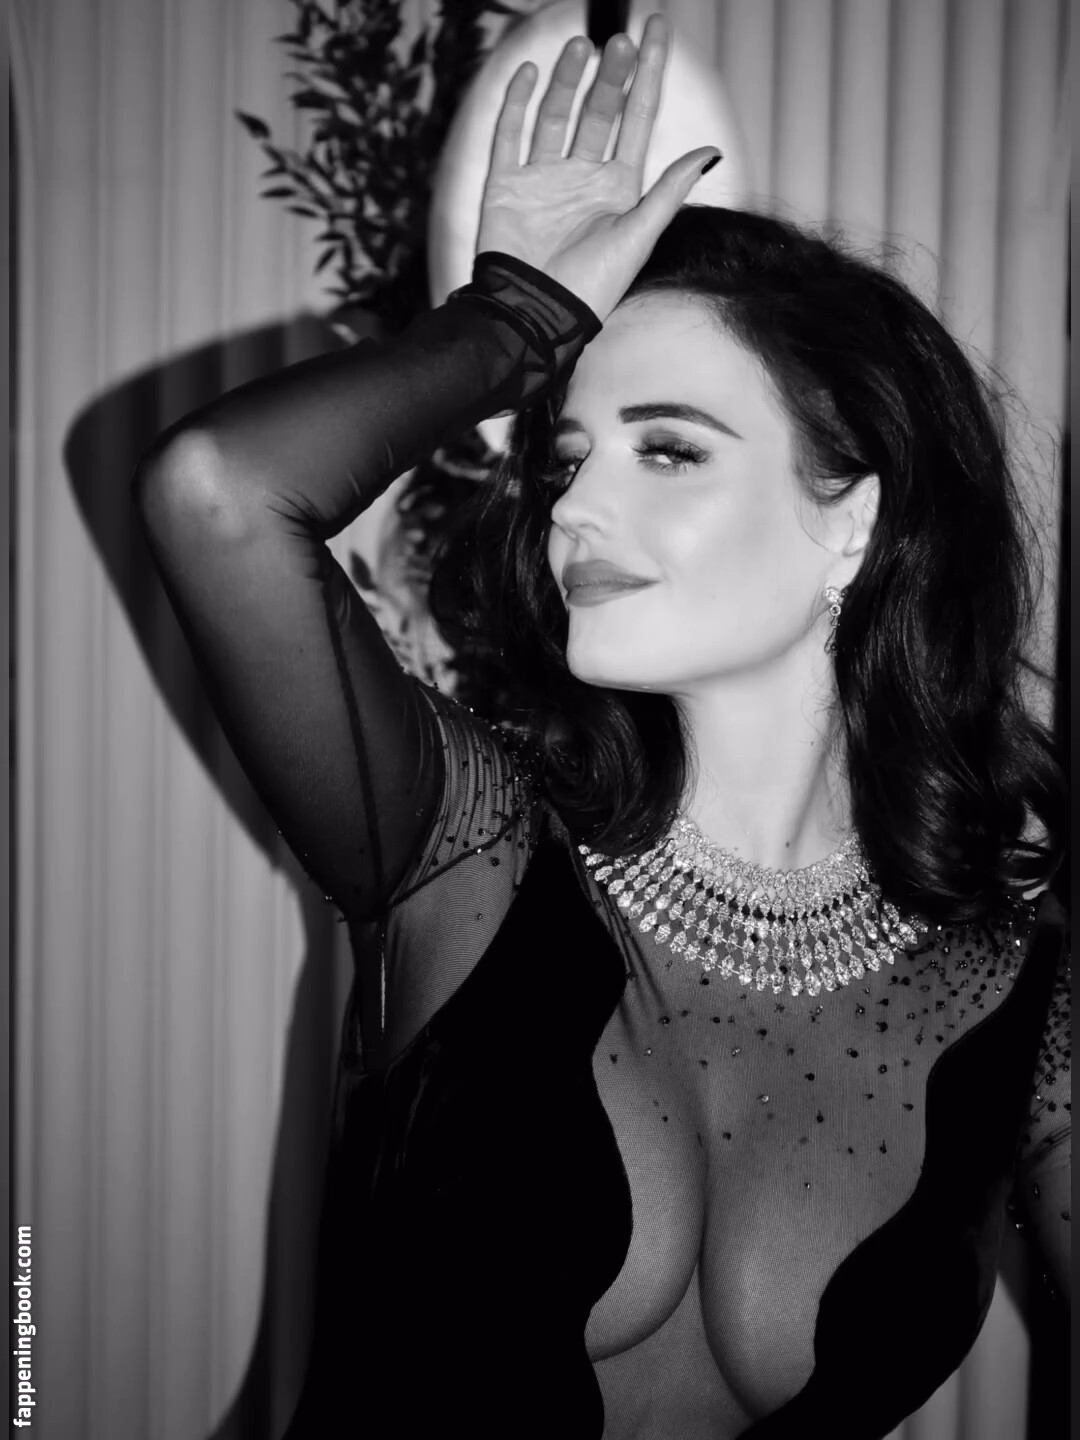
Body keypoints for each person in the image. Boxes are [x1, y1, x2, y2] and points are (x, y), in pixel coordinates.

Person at [133, 16, 1069, 1440]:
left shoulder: (1021, 994)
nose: (573, 508)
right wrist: (513, 321)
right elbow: (220, 492)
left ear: (853, 521)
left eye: (669, 448)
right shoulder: (471, 852)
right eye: (567, 454)